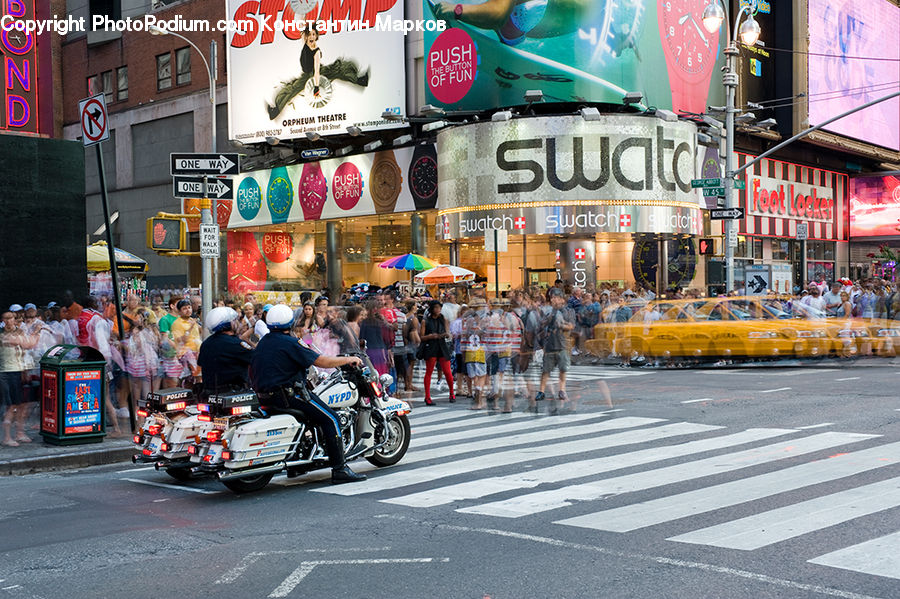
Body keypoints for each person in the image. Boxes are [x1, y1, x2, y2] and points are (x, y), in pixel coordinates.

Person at [250, 304, 366, 484]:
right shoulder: (290, 342)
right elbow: (321, 361)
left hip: (265, 397)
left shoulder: (264, 341)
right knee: (331, 418)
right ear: (290, 322)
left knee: (312, 418)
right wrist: (349, 359)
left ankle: (298, 465)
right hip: (288, 396)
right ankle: (340, 468)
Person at [267, 25, 370, 120]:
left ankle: (360, 81)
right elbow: (305, 24)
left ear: (316, 36)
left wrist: (316, 88)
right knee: (291, 88)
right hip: (307, 75)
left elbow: (316, 71)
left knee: (338, 70)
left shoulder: (316, 51)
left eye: (314, 34)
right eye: (310, 34)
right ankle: (276, 111)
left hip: (313, 74)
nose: (312, 37)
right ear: (306, 36)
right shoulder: (306, 43)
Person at [431, 0, 593, 47]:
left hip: (512, 31)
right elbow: (498, 15)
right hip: (511, 29)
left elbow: (498, 16)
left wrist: (457, 10)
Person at [197, 307, 253, 395]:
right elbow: (255, 359)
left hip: (209, 392)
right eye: (235, 320)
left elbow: (200, 363)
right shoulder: (235, 344)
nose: (238, 323)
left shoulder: (206, 343)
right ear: (230, 324)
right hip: (234, 393)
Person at [535, 288, 574, 413]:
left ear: (562, 299)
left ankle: (562, 390)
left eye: (556, 297)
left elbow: (571, 326)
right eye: (552, 298)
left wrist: (561, 325)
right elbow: (542, 324)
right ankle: (541, 391)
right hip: (550, 344)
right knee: (545, 370)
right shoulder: (549, 311)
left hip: (563, 344)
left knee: (563, 370)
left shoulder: (568, 311)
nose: (553, 300)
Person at [419, 300, 455, 406]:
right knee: (429, 372)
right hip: (431, 347)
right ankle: (427, 396)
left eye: (439, 308)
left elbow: (448, 332)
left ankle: (452, 393)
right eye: (436, 308)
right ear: (431, 309)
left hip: (442, 346)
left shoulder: (443, 319)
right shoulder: (426, 321)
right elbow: (421, 337)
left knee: (447, 371)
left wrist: (446, 334)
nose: (438, 310)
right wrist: (430, 336)